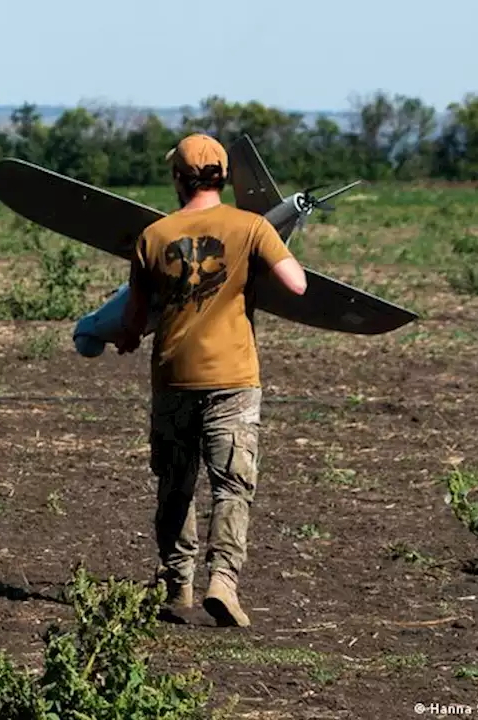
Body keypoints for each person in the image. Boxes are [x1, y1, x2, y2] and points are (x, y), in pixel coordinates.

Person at [116, 133, 307, 627]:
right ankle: (222, 581)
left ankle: (177, 585)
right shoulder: (251, 228)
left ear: (178, 178)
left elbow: (135, 319)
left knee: (176, 486)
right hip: (234, 379)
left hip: (174, 378)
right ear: (222, 177)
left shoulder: (153, 236)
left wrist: (124, 337)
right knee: (231, 485)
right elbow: (297, 284)